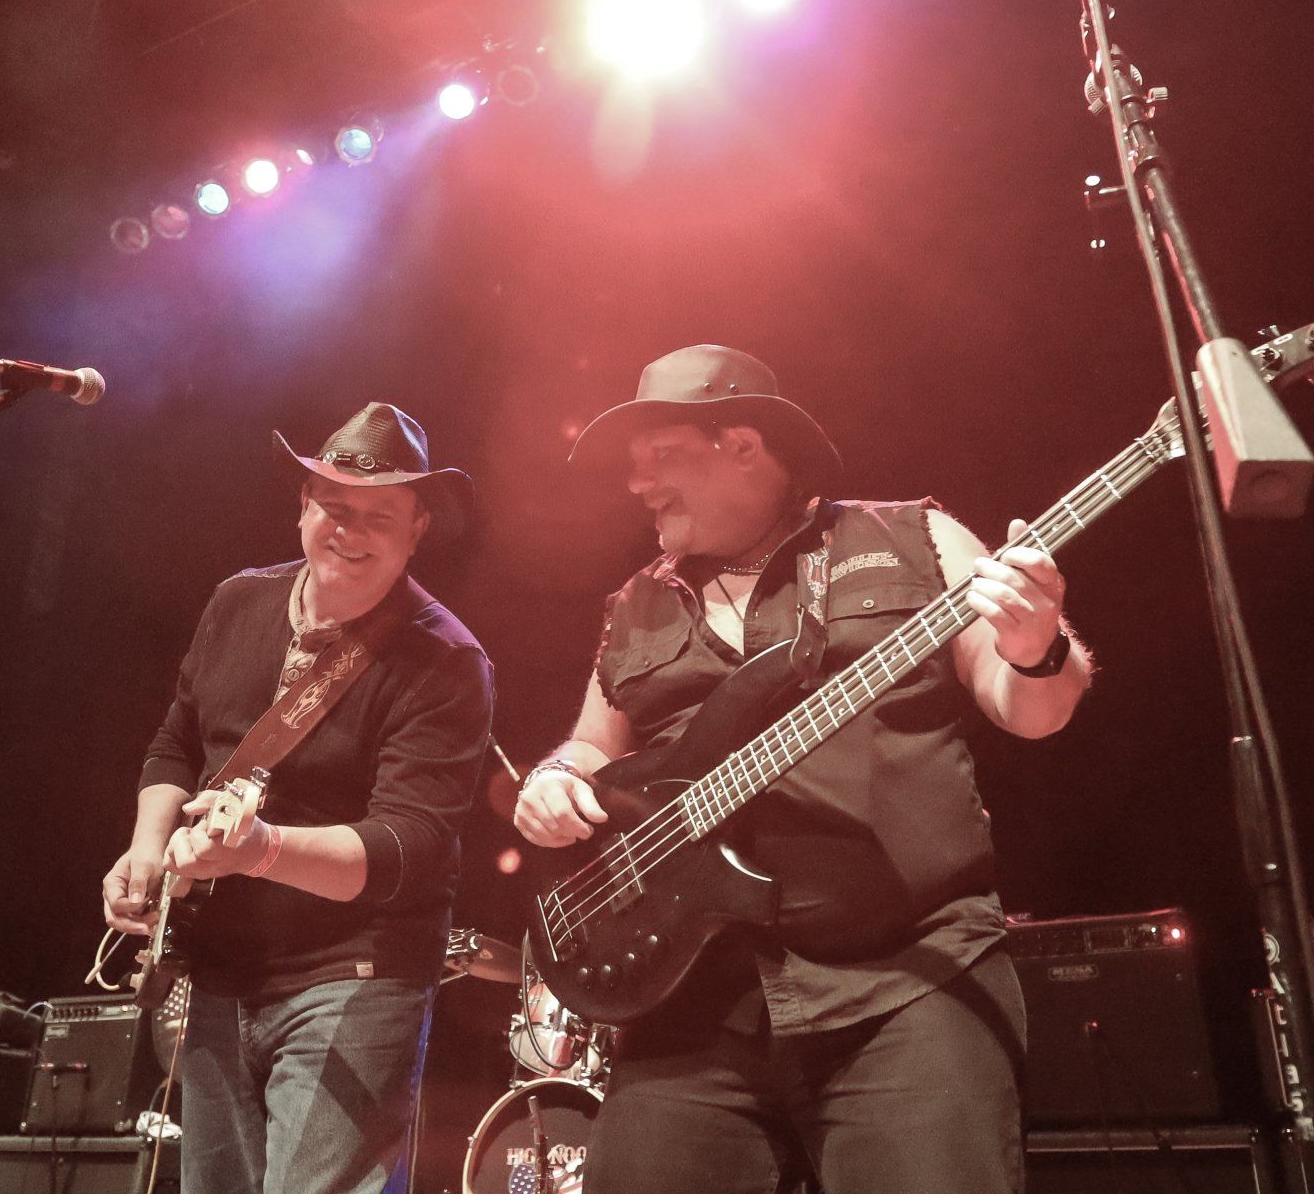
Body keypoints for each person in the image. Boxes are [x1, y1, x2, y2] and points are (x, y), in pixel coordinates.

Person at [514, 346, 1094, 1194]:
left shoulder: (915, 538)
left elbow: (1031, 709)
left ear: (743, 445)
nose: (637, 484)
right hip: (693, 1003)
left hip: (905, 985)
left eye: (660, 456)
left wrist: (1037, 645)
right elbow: (590, 748)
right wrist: (553, 779)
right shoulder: (635, 605)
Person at [101, 403, 494, 1194]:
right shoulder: (236, 602)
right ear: (303, 505)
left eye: (378, 517)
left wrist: (261, 851)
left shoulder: (447, 661)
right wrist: (146, 849)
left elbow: (407, 846)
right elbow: (178, 741)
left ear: (417, 529)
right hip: (219, 971)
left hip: (356, 975)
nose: (350, 532)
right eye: (334, 508)